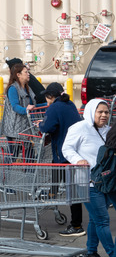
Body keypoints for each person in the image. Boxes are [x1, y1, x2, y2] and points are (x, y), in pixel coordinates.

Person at [62, 99, 113, 257]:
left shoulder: (108, 130)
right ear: (92, 111)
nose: (104, 115)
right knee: (103, 220)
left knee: (95, 219)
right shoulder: (80, 128)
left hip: (105, 182)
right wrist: (78, 160)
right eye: (100, 112)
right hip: (87, 182)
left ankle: (91, 251)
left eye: (106, 112)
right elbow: (67, 148)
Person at [37, 82, 84, 237]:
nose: (46, 100)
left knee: (71, 189)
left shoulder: (54, 108)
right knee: (71, 186)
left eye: (47, 96)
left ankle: (76, 225)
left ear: (51, 96)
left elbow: (47, 127)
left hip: (63, 153)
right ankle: (51, 193)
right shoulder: (70, 104)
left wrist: (40, 124)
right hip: (74, 152)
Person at [1, 63, 36, 143]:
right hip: (14, 129)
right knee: (14, 154)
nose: (28, 74)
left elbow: (33, 105)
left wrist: (48, 104)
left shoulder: (27, 88)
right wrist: (26, 109)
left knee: (29, 153)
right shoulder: (13, 89)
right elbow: (15, 106)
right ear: (18, 75)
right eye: (26, 72)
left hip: (26, 127)